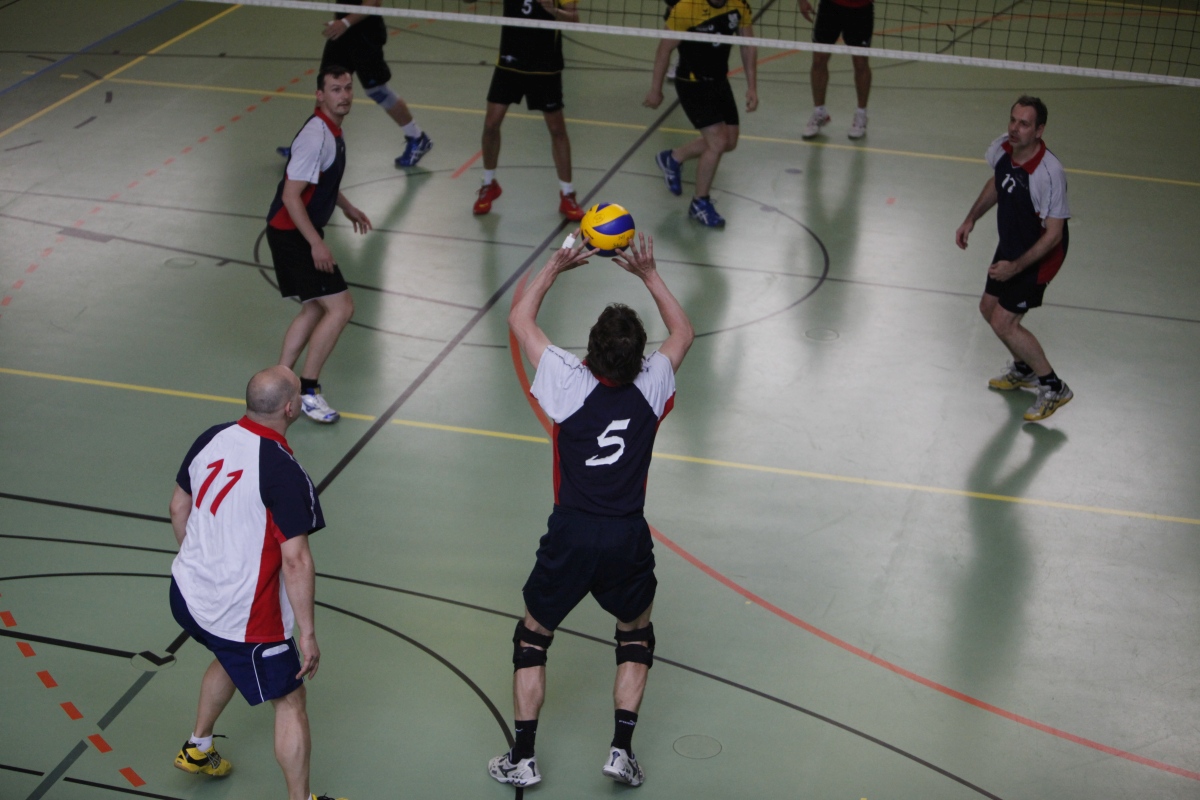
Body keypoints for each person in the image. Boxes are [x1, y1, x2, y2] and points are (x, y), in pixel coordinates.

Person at [488, 233, 694, 789]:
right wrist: (648, 273)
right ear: (639, 355)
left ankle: (523, 758)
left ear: (592, 350)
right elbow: (683, 333)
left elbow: (519, 318)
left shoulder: (567, 379)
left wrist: (556, 265)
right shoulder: (652, 384)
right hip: (627, 535)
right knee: (635, 636)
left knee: (533, 637)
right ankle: (620, 752)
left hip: (571, 531)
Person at [168, 366, 344, 800]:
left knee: (229, 655)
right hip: (246, 616)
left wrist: (201, 562)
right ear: (291, 408)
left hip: (187, 593)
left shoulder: (212, 436)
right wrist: (307, 634)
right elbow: (296, 561)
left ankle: (198, 747)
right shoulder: (284, 471)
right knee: (290, 701)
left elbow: (178, 507)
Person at [956, 95, 1073, 422]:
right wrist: (971, 218)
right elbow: (998, 182)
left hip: (1039, 255)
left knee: (1003, 322)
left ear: (1039, 130)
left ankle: (1054, 387)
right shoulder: (1003, 149)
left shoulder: (1049, 173)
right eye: (1013, 120)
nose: (1015, 128)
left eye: (1024, 124)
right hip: (1011, 244)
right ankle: (1024, 369)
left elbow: (1053, 235)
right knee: (988, 308)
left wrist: (1015, 268)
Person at [266, 65, 372, 424]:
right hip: (293, 234)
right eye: (335, 89)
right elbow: (291, 195)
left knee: (314, 309)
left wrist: (347, 206)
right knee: (341, 307)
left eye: (348, 88)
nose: (344, 95)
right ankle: (308, 392)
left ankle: (279, 384)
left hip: (296, 232)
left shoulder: (332, 130)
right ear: (320, 95)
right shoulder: (316, 137)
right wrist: (316, 244)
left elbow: (320, 180)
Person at [278, 0, 433, 167]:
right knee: (328, 86)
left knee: (377, 90)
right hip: (342, 34)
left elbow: (373, 2)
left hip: (365, 35)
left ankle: (417, 137)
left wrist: (345, 22)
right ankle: (314, 145)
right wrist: (338, 20)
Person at [645, 0, 758, 228]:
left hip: (719, 81)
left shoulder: (739, 5)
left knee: (730, 141)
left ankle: (673, 158)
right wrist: (655, 89)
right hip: (691, 83)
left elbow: (748, 46)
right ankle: (700, 203)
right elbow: (664, 49)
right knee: (718, 142)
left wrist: (752, 87)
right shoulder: (686, 7)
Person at [472, 0, 586, 220]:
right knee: (491, 124)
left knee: (557, 130)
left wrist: (554, 10)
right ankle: (488, 184)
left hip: (545, 66)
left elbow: (574, 19)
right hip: (510, 62)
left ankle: (567, 194)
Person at [797, 0, 873, 140]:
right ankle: (819, 113)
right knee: (819, 60)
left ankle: (861, 115)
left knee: (860, 63)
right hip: (830, 7)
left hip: (860, 9)